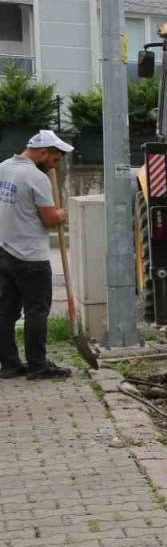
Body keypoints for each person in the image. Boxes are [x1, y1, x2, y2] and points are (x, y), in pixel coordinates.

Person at [0, 130, 71, 380]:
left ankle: (9, 364)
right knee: (36, 312)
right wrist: (62, 214)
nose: (55, 165)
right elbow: (50, 219)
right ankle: (38, 367)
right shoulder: (35, 177)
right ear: (43, 153)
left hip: (4, 251)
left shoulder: (4, 168)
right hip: (31, 257)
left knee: (5, 312)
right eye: (54, 159)